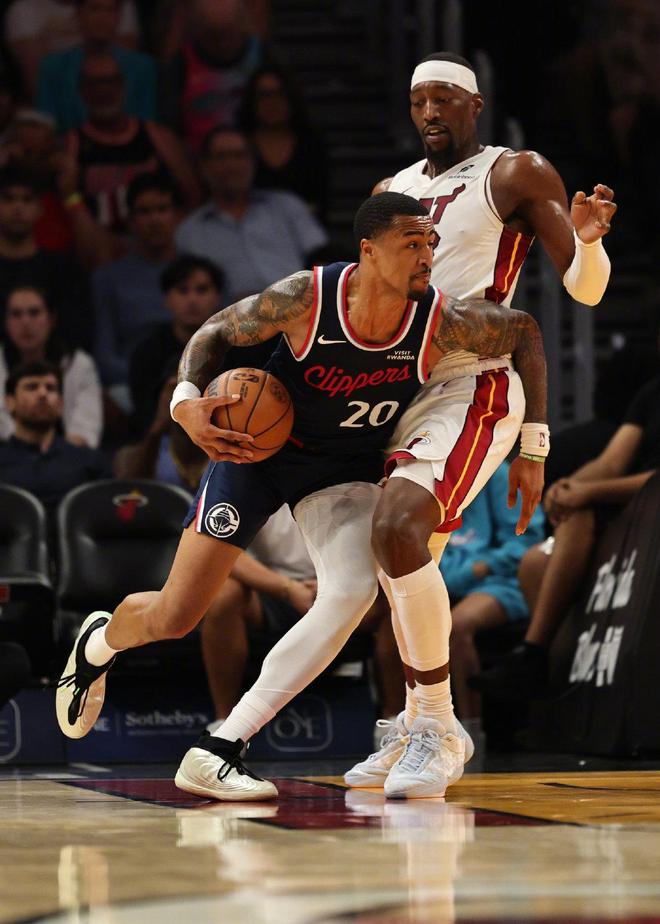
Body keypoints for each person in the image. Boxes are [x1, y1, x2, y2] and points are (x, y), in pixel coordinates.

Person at [55, 191, 547, 804]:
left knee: (352, 593)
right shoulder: (307, 298)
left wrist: (534, 445)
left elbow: (524, 332)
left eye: (430, 243)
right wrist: (185, 404)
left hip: (337, 472)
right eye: (411, 244)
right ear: (369, 252)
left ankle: (219, 749)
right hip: (256, 457)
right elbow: (214, 332)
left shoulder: (441, 320)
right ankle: (99, 642)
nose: (427, 256)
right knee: (176, 616)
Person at [343, 50, 616, 798]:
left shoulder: (514, 172)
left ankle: (438, 724)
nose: (429, 112)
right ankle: (414, 723)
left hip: (477, 378)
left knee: (399, 529)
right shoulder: (390, 192)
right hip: (403, 386)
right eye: (418, 102)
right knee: (399, 561)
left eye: (443, 99)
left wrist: (589, 242)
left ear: (474, 105)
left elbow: (585, 292)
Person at [470, 370, 660, 703]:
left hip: (647, 514)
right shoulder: (652, 391)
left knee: (577, 513)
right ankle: (554, 691)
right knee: (534, 562)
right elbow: (610, 463)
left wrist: (587, 493)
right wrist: (568, 488)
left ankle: (534, 654)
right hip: (630, 512)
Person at [440, 460, 545, 749]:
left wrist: (473, 571)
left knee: (457, 624)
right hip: (443, 580)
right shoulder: (429, 477)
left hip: (499, 580)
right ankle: (402, 728)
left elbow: (524, 542)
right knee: (398, 620)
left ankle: (470, 735)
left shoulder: (502, 475)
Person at [175, 126, 328, 303]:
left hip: (301, 310)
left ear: (253, 162)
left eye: (239, 155)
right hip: (231, 316)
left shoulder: (287, 207)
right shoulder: (190, 231)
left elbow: (324, 259)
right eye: (221, 157)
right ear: (204, 166)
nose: (232, 165)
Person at [65, 51, 200, 237]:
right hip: (100, 244)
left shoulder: (159, 137)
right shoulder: (71, 145)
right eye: (95, 83)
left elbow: (193, 197)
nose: (104, 90)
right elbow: (68, 201)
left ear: (123, 85)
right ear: (82, 90)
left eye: (111, 81)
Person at [92, 172, 181, 412]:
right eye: (144, 211)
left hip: (194, 384)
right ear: (130, 220)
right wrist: (151, 380)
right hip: (130, 386)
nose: (154, 220)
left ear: (177, 215)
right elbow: (105, 358)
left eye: (162, 209)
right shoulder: (107, 279)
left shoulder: (202, 274)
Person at [158, 0, 279, 152]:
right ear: (198, 30)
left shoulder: (263, 56)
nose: (222, 43)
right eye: (214, 36)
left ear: (241, 26)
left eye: (228, 34)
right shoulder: (181, 63)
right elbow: (169, 128)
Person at [0, 360, 111, 526]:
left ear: (60, 405)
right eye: (32, 387)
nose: (43, 393)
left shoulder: (90, 462)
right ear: (10, 402)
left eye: (51, 388)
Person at [127, 253, 223, 437]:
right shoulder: (146, 353)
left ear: (217, 297)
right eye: (182, 290)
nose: (192, 299)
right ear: (167, 299)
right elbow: (142, 421)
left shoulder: (238, 346)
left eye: (202, 290)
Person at [0, 165, 92, 350]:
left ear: (40, 209)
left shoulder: (65, 270)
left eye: (27, 199)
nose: (18, 207)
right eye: (8, 199)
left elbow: (76, 334)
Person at [0, 285, 103, 447]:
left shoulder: (78, 364)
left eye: (34, 313)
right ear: (6, 322)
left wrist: (52, 455)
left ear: (51, 319)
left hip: (68, 455)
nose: (25, 322)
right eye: (16, 314)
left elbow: (86, 430)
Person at [35, 0, 157, 134]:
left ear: (119, 15)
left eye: (110, 10)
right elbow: (46, 127)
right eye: (95, 9)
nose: (102, 18)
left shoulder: (143, 68)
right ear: (78, 13)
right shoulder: (53, 68)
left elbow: (147, 125)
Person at [237, 66, 328, 219]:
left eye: (279, 94)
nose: (272, 102)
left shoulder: (312, 146)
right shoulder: (237, 145)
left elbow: (319, 201)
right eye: (264, 95)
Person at [4, 0, 140, 99]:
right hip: (58, 105)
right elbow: (40, 84)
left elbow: (128, 71)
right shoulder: (24, 9)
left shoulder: (114, 3)